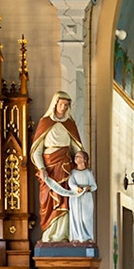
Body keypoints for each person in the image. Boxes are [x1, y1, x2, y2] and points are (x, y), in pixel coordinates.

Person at [29, 90, 84, 244]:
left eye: (67, 105)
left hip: (65, 166)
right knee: (48, 201)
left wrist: (82, 162)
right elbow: (37, 151)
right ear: (55, 104)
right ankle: (49, 235)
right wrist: (42, 168)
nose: (64, 108)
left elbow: (76, 148)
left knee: (65, 199)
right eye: (62, 104)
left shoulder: (70, 124)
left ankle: (63, 235)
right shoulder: (45, 122)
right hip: (49, 169)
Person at [64, 149, 97, 245]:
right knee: (76, 217)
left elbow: (94, 186)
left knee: (86, 218)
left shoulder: (88, 173)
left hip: (86, 198)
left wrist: (88, 188)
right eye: (76, 156)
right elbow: (71, 183)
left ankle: (88, 237)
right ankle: (76, 237)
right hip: (75, 197)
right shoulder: (73, 172)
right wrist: (76, 188)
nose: (76, 158)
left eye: (79, 156)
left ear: (84, 159)